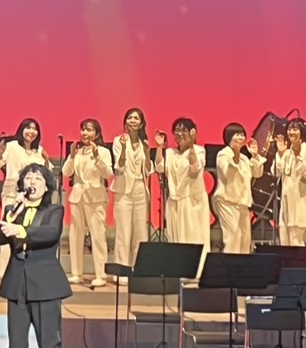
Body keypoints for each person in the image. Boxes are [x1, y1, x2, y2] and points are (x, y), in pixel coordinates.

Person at [0, 163, 83, 348]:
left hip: (45, 285)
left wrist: (21, 231)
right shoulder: (13, 209)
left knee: (49, 347)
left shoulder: (54, 210)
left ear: (46, 186)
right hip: (17, 286)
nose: (32, 181)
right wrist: (14, 213)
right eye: (28, 177)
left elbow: (50, 234)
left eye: (37, 178)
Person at [0, 118, 48, 275]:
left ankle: (25, 269)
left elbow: (45, 173)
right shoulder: (12, 146)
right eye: (28, 128)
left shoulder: (38, 150)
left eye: (35, 129)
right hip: (13, 193)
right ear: (21, 130)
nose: (31, 131)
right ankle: (5, 271)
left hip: (32, 197)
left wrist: (46, 160)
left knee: (27, 231)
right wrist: (0, 154)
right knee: (8, 230)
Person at [64, 119, 112, 286]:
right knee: (75, 234)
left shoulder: (103, 151)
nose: (85, 133)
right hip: (78, 196)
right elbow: (66, 172)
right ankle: (76, 273)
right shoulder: (77, 152)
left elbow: (108, 174)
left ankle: (101, 274)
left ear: (96, 134)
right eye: (83, 129)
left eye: (89, 130)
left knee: (97, 235)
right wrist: (71, 156)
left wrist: (97, 157)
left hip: (96, 196)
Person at [158, 118, 210, 267]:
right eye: (177, 130)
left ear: (193, 133)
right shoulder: (170, 152)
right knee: (175, 238)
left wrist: (192, 144)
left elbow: (195, 169)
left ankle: (196, 271)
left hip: (192, 201)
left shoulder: (199, 150)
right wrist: (160, 147)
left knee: (193, 236)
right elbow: (160, 167)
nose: (180, 134)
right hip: (174, 201)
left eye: (184, 130)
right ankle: (179, 270)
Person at [109, 107, 152, 280]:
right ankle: (121, 271)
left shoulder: (143, 143)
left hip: (140, 187)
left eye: (136, 118)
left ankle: (138, 269)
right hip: (123, 190)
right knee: (123, 231)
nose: (132, 121)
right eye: (130, 118)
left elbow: (148, 170)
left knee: (140, 231)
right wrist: (123, 148)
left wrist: (148, 152)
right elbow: (119, 167)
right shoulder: (118, 141)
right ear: (125, 122)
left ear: (141, 124)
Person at [213, 122, 263, 255]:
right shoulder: (223, 155)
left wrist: (255, 155)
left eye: (242, 134)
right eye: (237, 134)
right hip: (227, 201)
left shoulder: (244, 158)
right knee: (233, 237)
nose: (241, 137)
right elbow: (228, 174)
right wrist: (234, 155)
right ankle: (230, 266)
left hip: (242, 203)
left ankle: (242, 266)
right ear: (229, 137)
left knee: (245, 239)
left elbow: (257, 173)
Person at [273, 119, 306, 246]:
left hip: (299, 201)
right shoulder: (287, 152)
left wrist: (298, 157)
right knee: (284, 239)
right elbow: (276, 172)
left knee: (296, 240)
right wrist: (280, 153)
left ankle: (299, 260)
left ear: (302, 132)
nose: (291, 132)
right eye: (290, 129)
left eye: (295, 129)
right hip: (286, 201)